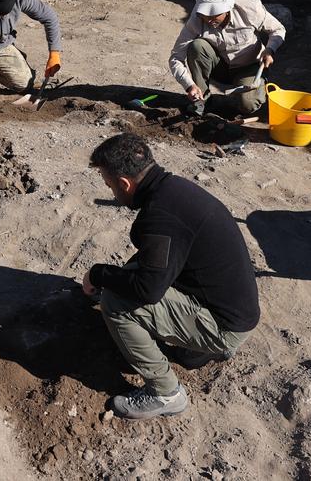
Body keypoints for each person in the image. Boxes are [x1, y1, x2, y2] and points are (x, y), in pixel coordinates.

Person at [82, 133, 259, 420]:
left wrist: (99, 274)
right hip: (236, 309)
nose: (112, 192)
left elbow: (147, 291)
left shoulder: (161, 217)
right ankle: (195, 349)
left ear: (125, 183)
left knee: (116, 302)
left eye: (110, 185)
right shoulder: (174, 190)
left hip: (228, 327)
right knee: (133, 270)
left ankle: (166, 394)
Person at [169, 0, 285, 117]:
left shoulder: (247, 6)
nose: (209, 20)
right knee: (197, 47)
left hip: (249, 68)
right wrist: (189, 86)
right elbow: (176, 57)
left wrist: (270, 50)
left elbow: (278, 29)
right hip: (221, 67)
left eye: (214, 14)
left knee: (248, 104)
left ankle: (253, 89)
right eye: (205, 15)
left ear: (226, 7)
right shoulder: (197, 18)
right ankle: (203, 100)